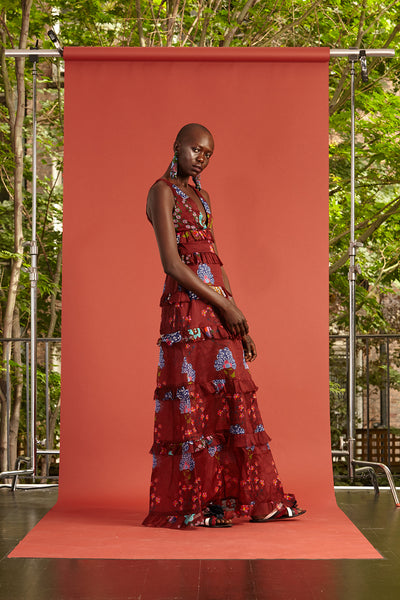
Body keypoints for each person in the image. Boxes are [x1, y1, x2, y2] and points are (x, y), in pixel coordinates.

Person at [142, 123, 305, 529]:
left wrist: (238, 318)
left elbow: (215, 260)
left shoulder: (204, 197)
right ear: (177, 145)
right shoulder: (161, 191)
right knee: (194, 402)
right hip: (186, 309)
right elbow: (173, 264)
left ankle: (252, 500)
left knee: (232, 397)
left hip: (216, 308)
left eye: (209, 153)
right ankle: (195, 505)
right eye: (196, 149)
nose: (202, 157)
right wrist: (222, 306)